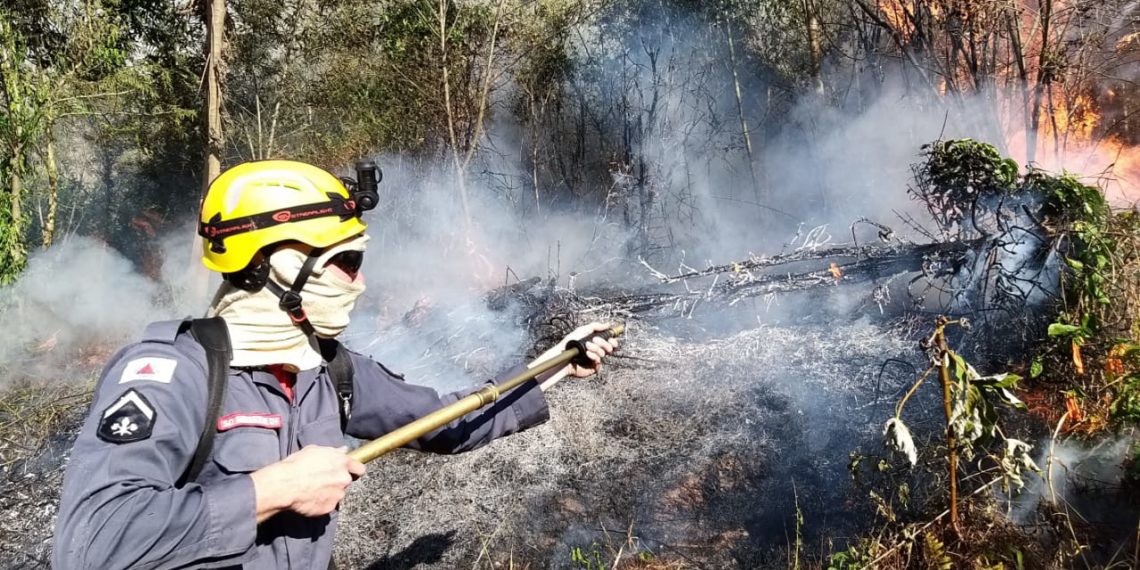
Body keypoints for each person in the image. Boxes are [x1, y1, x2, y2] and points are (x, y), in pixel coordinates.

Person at [52, 160, 617, 569]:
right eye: (347, 262)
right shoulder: (170, 376)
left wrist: (554, 364)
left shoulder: (327, 370)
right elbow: (91, 545)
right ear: (281, 265)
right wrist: (272, 489)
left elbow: (447, 420)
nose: (362, 282)